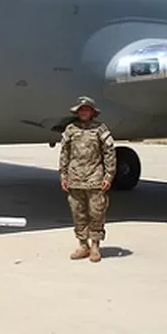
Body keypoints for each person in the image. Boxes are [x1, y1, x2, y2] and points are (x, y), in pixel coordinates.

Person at [59, 96, 117, 263]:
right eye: (81, 109)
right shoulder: (70, 129)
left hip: (95, 177)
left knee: (96, 212)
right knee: (78, 212)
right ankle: (82, 245)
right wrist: (63, 175)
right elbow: (65, 153)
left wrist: (109, 175)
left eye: (87, 109)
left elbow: (109, 153)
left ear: (92, 112)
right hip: (75, 177)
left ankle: (95, 246)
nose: (84, 112)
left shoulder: (100, 129)